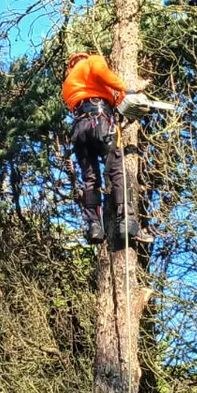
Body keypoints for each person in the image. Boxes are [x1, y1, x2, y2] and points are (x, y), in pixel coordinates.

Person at [62, 50, 148, 246]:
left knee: (90, 178)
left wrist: (114, 101)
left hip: (79, 129)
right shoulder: (92, 61)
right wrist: (123, 88)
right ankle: (127, 220)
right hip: (99, 122)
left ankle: (94, 225)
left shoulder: (68, 84)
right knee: (118, 170)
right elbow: (102, 72)